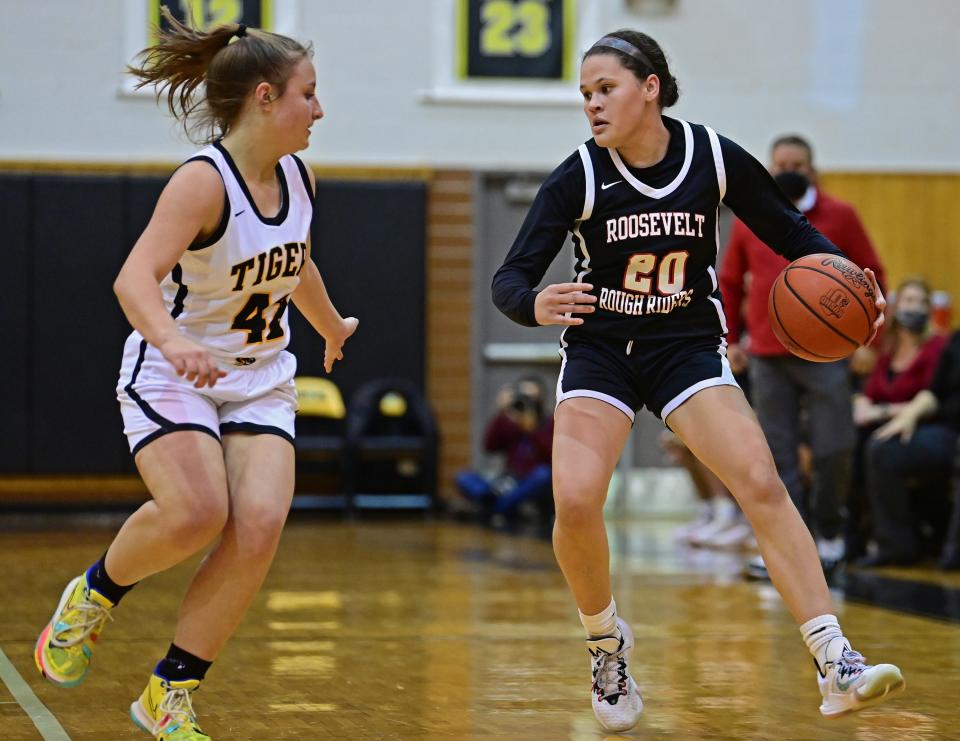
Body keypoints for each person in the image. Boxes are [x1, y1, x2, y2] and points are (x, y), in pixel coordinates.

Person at [491, 29, 902, 733]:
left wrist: (852, 279)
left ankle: (835, 660)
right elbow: (510, 278)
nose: (591, 104)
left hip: (685, 346)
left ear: (649, 86)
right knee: (577, 498)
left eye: (605, 89)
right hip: (603, 351)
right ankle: (606, 644)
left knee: (762, 482)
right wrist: (533, 303)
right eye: (584, 94)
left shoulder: (711, 156)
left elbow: (791, 233)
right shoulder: (579, 176)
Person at [33, 12, 357, 740]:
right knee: (197, 512)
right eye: (309, 93)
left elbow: (293, 259)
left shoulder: (299, 177)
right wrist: (175, 340)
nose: (320, 109)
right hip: (175, 370)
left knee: (262, 524)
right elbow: (132, 279)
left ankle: (169, 691)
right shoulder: (201, 183)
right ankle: (95, 592)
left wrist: (330, 323)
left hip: (260, 374)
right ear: (266, 98)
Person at [718, 134, 887, 576]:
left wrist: (871, 337)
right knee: (776, 455)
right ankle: (784, 547)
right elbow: (730, 281)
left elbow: (873, 274)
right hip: (768, 353)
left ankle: (830, 532)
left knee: (835, 446)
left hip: (827, 352)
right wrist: (731, 339)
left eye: (797, 162)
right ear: (770, 170)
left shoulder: (841, 216)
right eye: (781, 163)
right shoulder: (750, 218)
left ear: (813, 168)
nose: (789, 169)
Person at [849, 278, 946, 562]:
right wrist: (862, 404)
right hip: (887, 425)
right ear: (895, 306)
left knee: (879, 450)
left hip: (926, 424)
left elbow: (932, 398)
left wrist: (879, 411)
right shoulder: (888, 349)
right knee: (851, 443)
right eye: (908, 301)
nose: (913, 308)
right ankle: (852, 537)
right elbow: (871, 391)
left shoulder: (938, 347)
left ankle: (895, 544)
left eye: (920, 302)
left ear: (929, 310)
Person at [861, 311, 960, 569]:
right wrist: (908, 417)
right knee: (881, 448)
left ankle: (952, 549)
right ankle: (896, 545)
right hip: (947, 430)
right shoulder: (957, 340)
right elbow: (933, 393)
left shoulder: (934, 344)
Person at [456, 377, 554, 518]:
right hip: (508, 480)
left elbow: (551, 457)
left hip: (531, 482)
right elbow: (489, 446)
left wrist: (532, 430)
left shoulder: (549, 423)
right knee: (464, 477)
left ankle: (493, 509)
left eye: (532, 398)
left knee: (543, 474)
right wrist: (502, 412)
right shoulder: (510, 423)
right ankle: (499, 505)